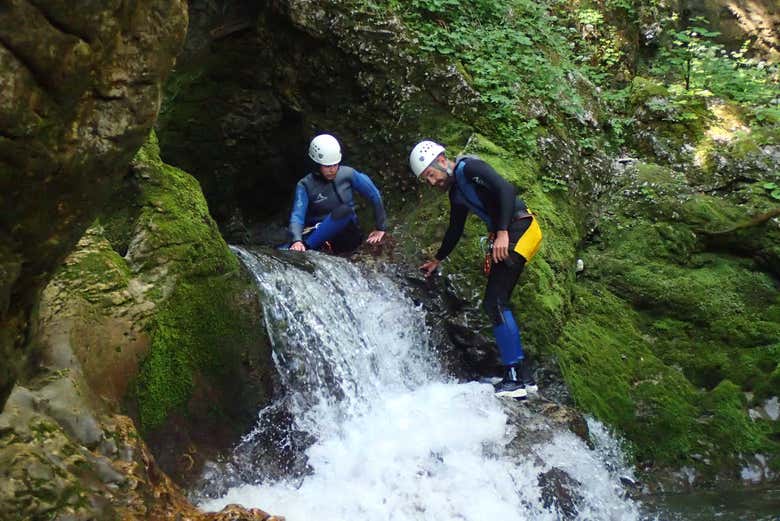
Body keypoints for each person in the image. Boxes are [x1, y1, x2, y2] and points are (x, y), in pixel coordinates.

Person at [409, 140, 542, 399]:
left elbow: (505, 189)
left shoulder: (470, 169)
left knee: (494, 302)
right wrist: (438, 258)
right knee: (497, 302)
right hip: (512, 231)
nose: (432, 182)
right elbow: (455, 228)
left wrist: (502, 233)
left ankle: (514, 378)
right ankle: (524, 376)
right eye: (426, 180)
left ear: (441, 160)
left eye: (431, 175)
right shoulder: (456, 192)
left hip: (519, 228)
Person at [288, 134, 386, 253]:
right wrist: (297, 240)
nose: (332, 169)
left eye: (335, 164)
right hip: (318, 235)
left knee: (344, 211)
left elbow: (374, 194)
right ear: (317, 164)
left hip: (347, 234)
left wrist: (380, 227)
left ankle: (307, 247)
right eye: (327, 166)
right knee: (284, 247)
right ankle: (305, 246)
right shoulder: (305, 185)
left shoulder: (348, 174)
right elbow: (297, 216)